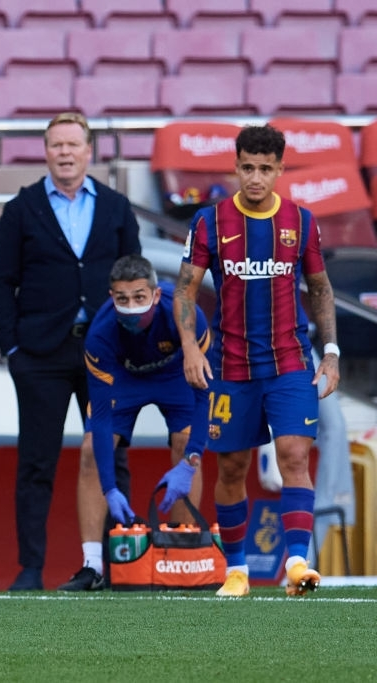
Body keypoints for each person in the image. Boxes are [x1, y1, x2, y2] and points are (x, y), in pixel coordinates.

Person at [173, 124, 340, 598]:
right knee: (231, 467)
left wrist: (330, 354)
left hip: (289, 361)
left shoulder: (301, 221)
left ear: (280, 169)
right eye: (247, 167)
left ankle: (297, 563)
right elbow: (185, 290)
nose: (255, 178)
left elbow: (320, 289)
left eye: (266, 169)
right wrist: (190, 348)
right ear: (236, 166)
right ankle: (238, 571)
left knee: (295, 455)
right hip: (230, 365)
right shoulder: (209, 222)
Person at [0, 111, 142, 592]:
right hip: (40, 356)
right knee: (36, 462)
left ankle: (117, 564)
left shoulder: (116, 207)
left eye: (73, 144)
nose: (65, 153)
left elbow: (136, 278)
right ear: (46, 151)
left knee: (111, 456)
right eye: (57, 145)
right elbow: (1, 283)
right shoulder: (21, 209)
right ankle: (31, 569)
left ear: (89, 150)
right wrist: (13, 348)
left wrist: (131, 344)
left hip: (107, 354)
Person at [60, 254, 211, 591]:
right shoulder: (99, 335)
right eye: (123, 299)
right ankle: (92, 565)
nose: (131, 307)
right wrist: (110, 488)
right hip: (124, 379)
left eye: (139, 297)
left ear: (156, 295)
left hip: (176, 375)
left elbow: (205, 396)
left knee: (185, 442)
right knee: (90, 449)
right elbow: (100, 419)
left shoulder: (188, 317)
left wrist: (191, 460)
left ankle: (181, 557)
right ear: (111, 297)